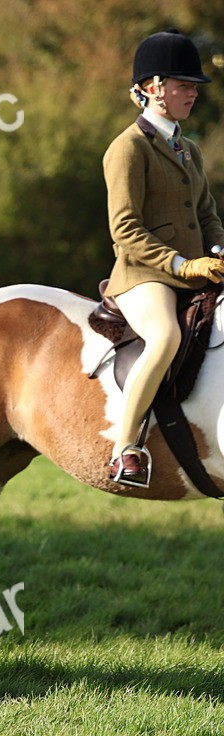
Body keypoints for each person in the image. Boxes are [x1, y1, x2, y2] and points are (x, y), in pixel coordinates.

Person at [103, 28, 224, 488]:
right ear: (154, 87)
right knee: (165, 336)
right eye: (183, 85)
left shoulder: (188, 149)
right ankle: (125, 449)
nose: (193, 93)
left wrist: (219, 251)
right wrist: (181, 265)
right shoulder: (128, 148)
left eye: (194, 86)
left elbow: (207, 216)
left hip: (195, 269)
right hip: (144, 275)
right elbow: (125, 229)